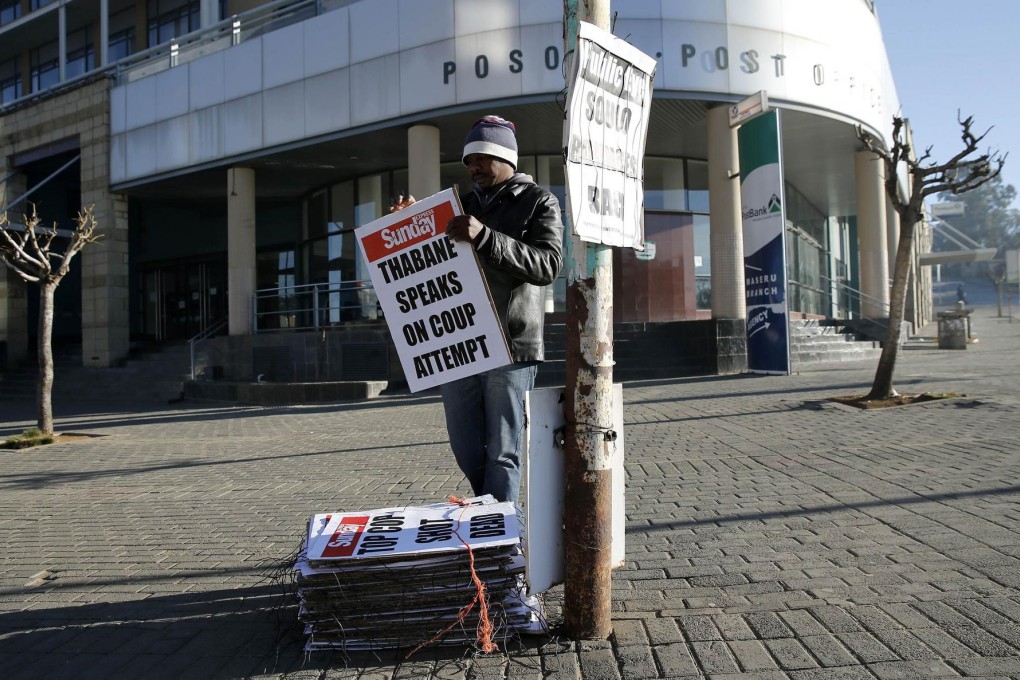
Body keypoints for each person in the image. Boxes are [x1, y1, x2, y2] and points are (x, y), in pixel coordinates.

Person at [391, 115, 563, 506]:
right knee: (466, 445)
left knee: (503, 450)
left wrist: (485, 237)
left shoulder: (538, 201)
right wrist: (411, 223)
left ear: (506, 158)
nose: (473, 167)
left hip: (510, 343)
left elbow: (548, 265)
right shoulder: (460, 204)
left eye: (482, 158)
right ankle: (494, 519)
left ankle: (502, 540)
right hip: (461, 343)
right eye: (468, 161)